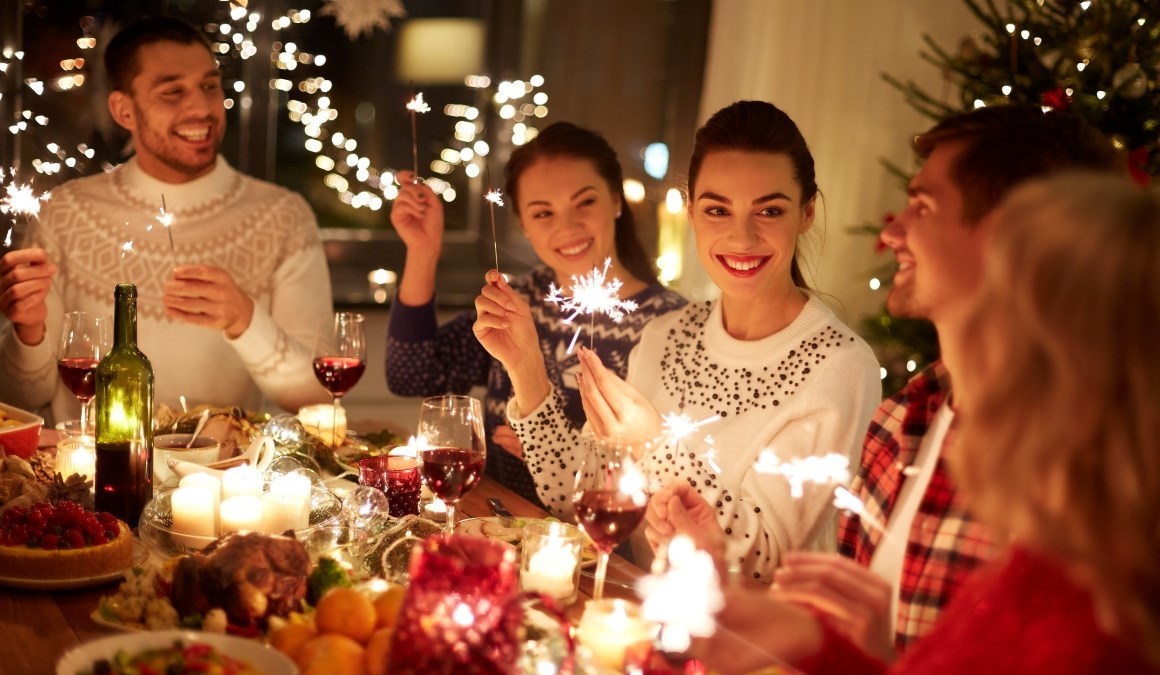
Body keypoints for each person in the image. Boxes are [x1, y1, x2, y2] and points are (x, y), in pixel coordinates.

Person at [653, 105, 1123, 660]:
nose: (893, 231)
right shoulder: (904, 422)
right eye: (717, 208)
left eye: (923, 207)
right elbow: (864, 652)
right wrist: (720, 571)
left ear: (1013, 236)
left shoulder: (1090, 474)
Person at [694, 173, 1160, 675]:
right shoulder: (1055, 548)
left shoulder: (1092, 612)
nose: (970, 335)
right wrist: (828, 647)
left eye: (999, 303)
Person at [475, 100, 882, 581]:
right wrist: (526, 368)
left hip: (742, 626)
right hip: (640, 607)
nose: (742, 237)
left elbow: (762, 564)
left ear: (807, 212)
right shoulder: (667, 333)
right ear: (691, 212)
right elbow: (577, 496)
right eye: (718, 210)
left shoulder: (838, 365)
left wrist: (653, 445)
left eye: (769, 210)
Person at [0, 17, 332, 419]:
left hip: (226, 459)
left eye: (210, 86)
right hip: (90, 460)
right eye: (172, 92)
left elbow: (316, 395)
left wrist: (246, 321)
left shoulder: (282, 217)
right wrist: (28, 333)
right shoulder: (64, 213)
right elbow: (19, 401)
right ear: (124, 110)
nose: (202, 108)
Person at [384, 121, 686, 507]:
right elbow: (411, 374)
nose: (568, 226)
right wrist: (423, 250)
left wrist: (552, 450)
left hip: (595, 536)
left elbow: (670, 475)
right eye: (543, 213)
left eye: (584, 202)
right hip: (496, 524)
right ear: (523, 225)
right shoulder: (517, 301)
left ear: (615, 201)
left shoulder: (670, 325)